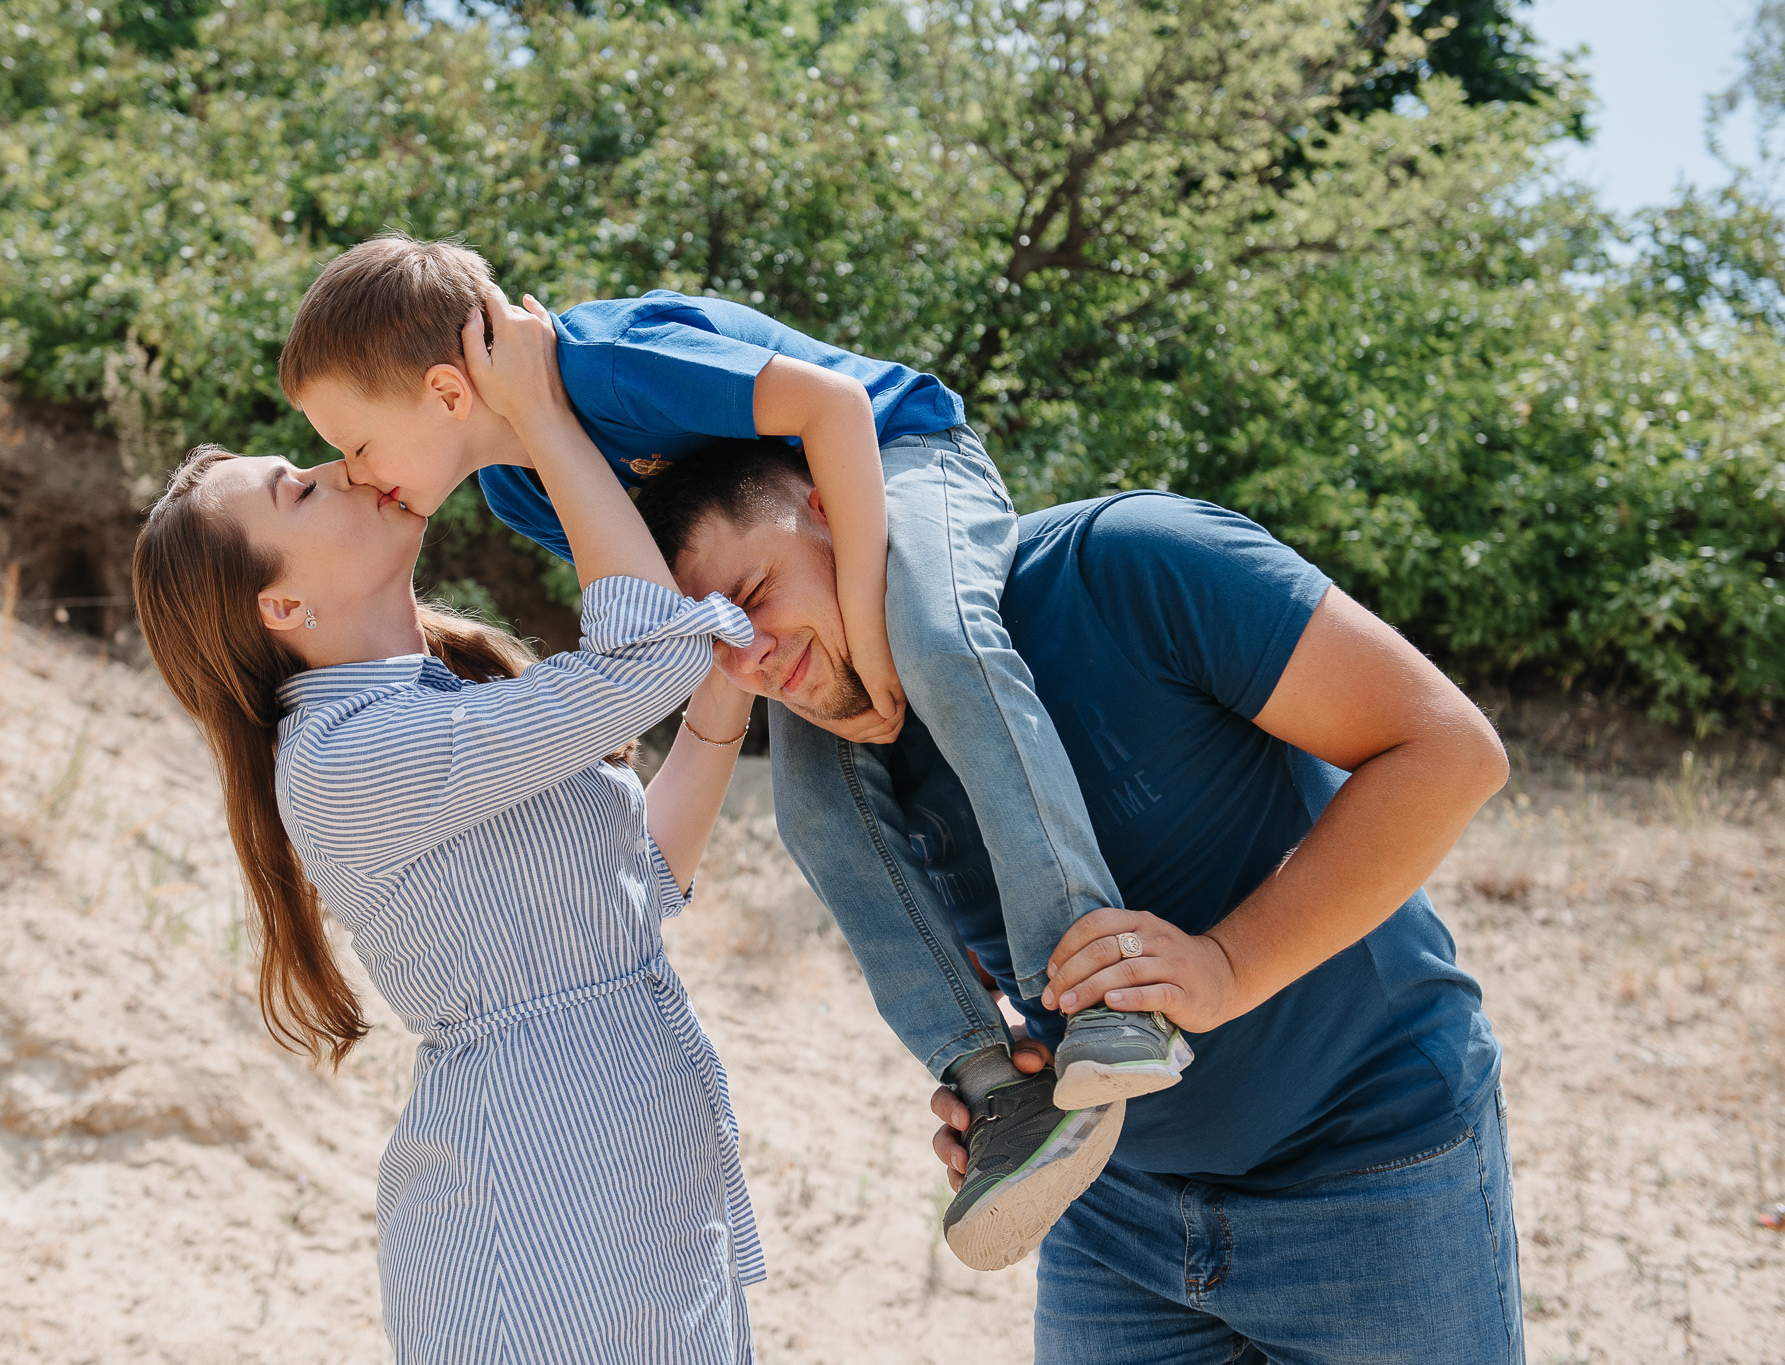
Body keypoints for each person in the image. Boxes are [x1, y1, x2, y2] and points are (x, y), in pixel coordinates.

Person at [276, 234, 1179, 1269]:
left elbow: (834, 411)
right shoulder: (519, 490)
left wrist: (871, 636)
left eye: (353, 441)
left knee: (936, 640)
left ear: (445, 393)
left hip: (892, 464)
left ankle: (1104, 990)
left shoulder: (606, 363)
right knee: (810, 799)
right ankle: (991, 1078)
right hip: (768, 561)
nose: (353, 472)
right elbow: (656, 608)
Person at [637, 440, 1525, 1364]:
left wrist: (1227, 966)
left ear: (832, 508)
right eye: (715, 642)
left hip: (1375, 1173)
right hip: (1114, 1222)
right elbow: (1006, 961)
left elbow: (1450, 751)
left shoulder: (1132, 562)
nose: (753, 657)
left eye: (752, 598)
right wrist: (1014, 1092)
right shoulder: (849, 763)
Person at [131, 288, 765, 1362]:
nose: (343, 467)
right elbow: (651, 656)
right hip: (535, 1221)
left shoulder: (431, 707)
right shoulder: (343, 760)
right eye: (299, 489)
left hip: (632, 1188)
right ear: (280, 608)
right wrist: (537, 418)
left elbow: (635, 887)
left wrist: (721, 709)